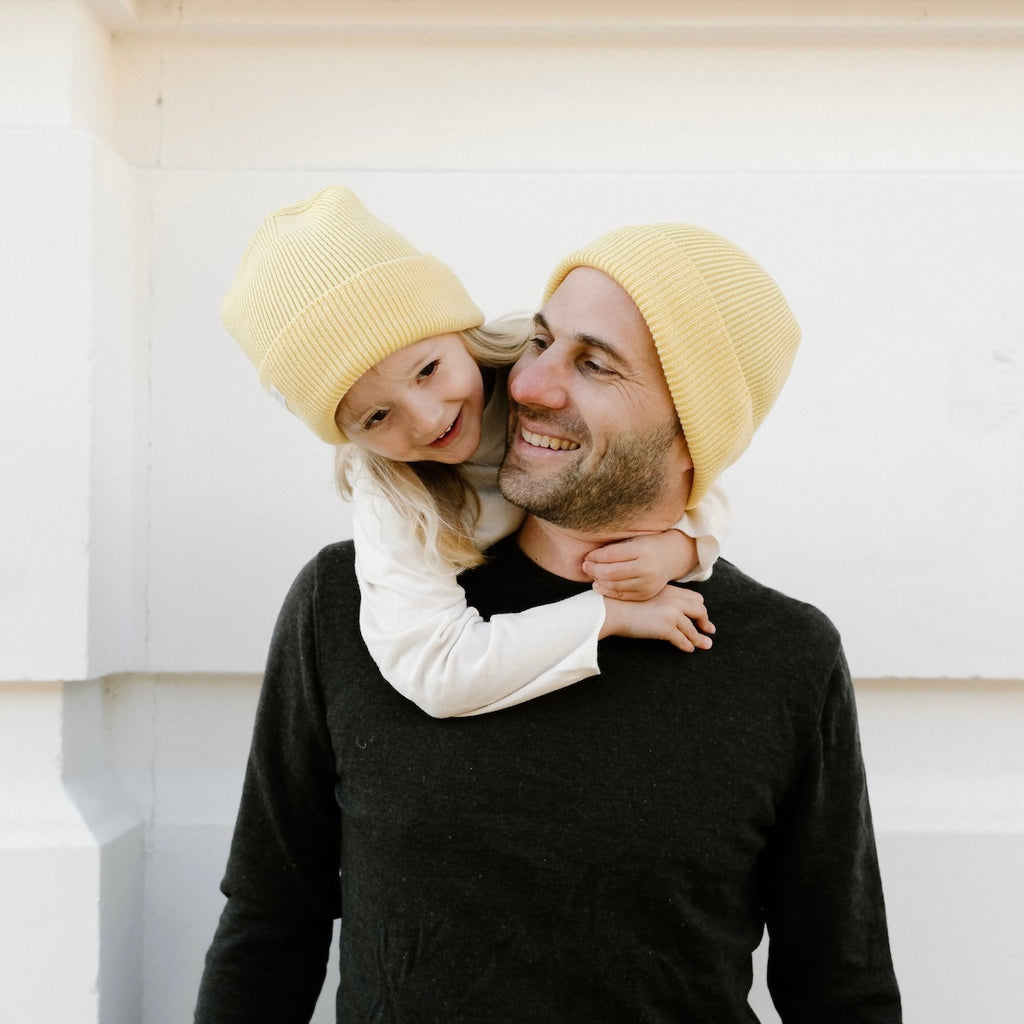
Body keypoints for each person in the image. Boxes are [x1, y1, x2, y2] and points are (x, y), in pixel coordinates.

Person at [196, 220, 902, 1022]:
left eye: (594, 363)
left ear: (689, 434)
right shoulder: (350, 607)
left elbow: (840, 986)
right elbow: (269, 926)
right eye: (538, 341)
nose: (527, 385)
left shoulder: (784, 655)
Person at [221, 186, 730, 717]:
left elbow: (674, 459)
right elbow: (435, 669)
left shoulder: (535, 376)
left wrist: (684, 546)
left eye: (427, 370)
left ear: (458, 329)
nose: (428, 419)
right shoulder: (392, 492)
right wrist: (605, 614)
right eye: (376, 416)